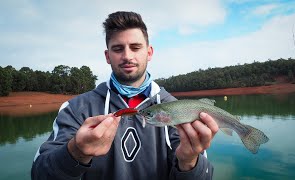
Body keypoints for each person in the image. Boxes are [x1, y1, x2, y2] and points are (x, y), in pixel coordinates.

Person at [31, 11, 219, 180]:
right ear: (107, 56)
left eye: (136, 47)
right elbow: (39, 174)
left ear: (149, 52)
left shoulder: (179, 110)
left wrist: (189, 162)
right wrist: (74, 152)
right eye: (118, 48)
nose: (127, 56)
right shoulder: (75, 109)